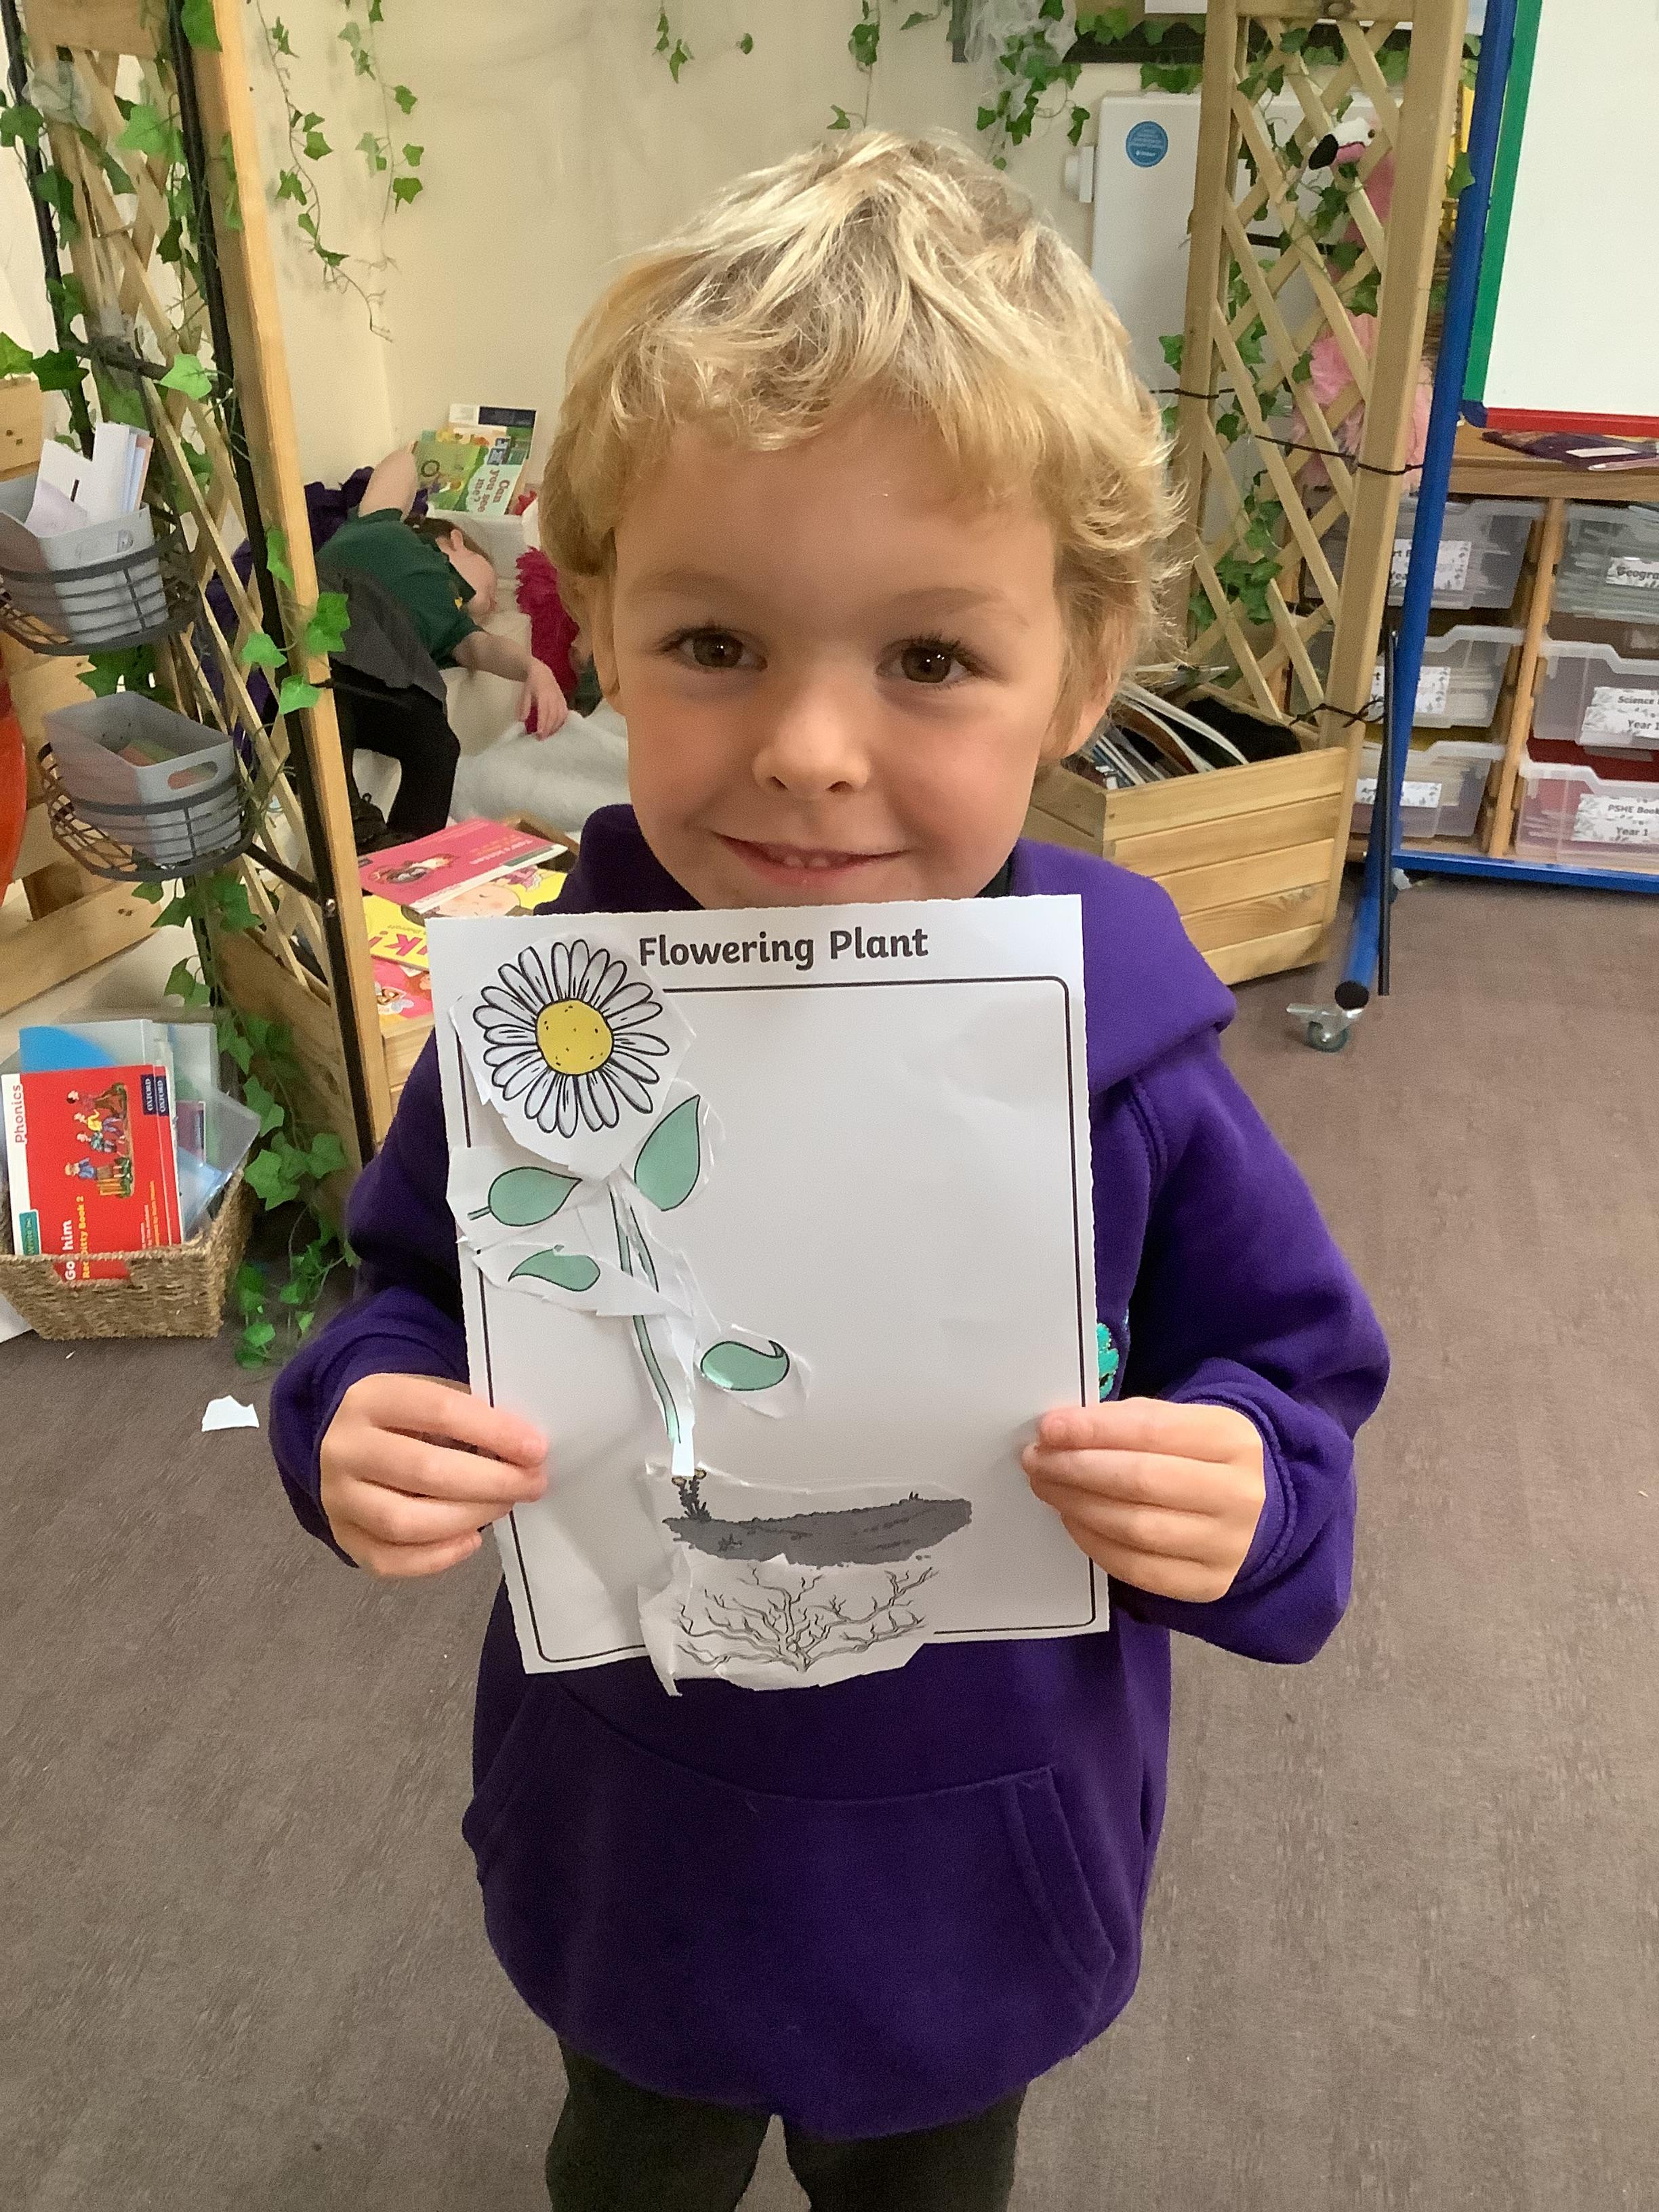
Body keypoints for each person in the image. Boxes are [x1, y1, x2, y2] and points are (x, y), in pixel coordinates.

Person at [269, 133, 1388, 2211]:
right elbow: (405, 1293)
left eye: (931, 659)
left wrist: (1246, 1484)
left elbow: (1299, 1395)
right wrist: (361, 1414)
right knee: (630, 2161)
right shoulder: (552, 1026)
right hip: (637, 1842)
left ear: (1083, 667)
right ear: (604, 629)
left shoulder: (1125, 1066)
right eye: (715, 643)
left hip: (975, 1879)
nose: (804, 746)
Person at [321, 445, 569, 846]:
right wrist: (419, 454)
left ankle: (411, 856)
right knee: (330, 700)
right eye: (492, 585)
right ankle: (352, 820)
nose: (493, 603)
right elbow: (399, 467)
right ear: (456, 541)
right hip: (330, 626)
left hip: (381, 676)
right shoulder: (381, 527)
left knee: (437, 744)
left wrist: (534, 668)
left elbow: (485, 649)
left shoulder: (453, 624)